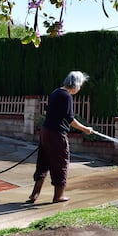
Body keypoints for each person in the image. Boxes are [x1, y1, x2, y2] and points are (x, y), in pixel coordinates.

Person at [27, 71, 93, 204]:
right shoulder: (66, 96)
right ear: (76, 84)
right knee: (61, 162)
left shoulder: (55, 92)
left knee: (43, 161)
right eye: (80, 85)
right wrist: (85, 129)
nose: (79, 88)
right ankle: (59, 196)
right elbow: (70, 119)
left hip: (46, 131)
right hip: (57, 134)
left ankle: (35, 193)